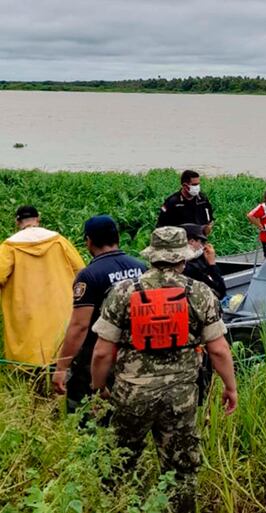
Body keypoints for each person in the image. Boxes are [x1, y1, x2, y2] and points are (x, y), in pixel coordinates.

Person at [90, 226, 237, 512]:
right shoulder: (199, 292)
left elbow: (102, 352)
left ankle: (118, 507)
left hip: (132, 394)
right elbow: (218, 349)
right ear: (183, 258)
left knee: (119, 462)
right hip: (180, 397)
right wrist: (230, 387)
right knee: (181, 471)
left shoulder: (124, 292)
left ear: (152, 255)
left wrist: (98, 388)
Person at [53, 216, 147, 413]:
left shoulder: (89, 275)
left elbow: (79, 326)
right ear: (117, 238)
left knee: (85, 414)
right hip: (136, 354)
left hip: (97, 358)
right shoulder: (140, 267)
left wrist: (62, 367)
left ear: (89, 241)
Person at [0, 206, 85, 367]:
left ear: (17, 222)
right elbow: (81, 270)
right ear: (38, 219)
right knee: (59, 352)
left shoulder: (9, 247)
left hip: (25, 314)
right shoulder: (59, 241)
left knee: (28, 360)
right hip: (60, 308)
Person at [156, 169, 215, 235]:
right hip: (179, 239)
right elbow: (161, 227)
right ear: (185, 186)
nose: (197, 187)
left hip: (199, 238)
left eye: (198, 184)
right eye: (194, 185)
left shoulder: (202, 199)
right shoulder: (172, 202)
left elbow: (210, 220)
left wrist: (208, 228)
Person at [181, 223, 226, 299]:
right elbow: (220, 292)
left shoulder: (173, 262)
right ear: (192, 242)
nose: (203, 246)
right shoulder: (191, 267)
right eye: (201, 242)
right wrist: (212, 264)